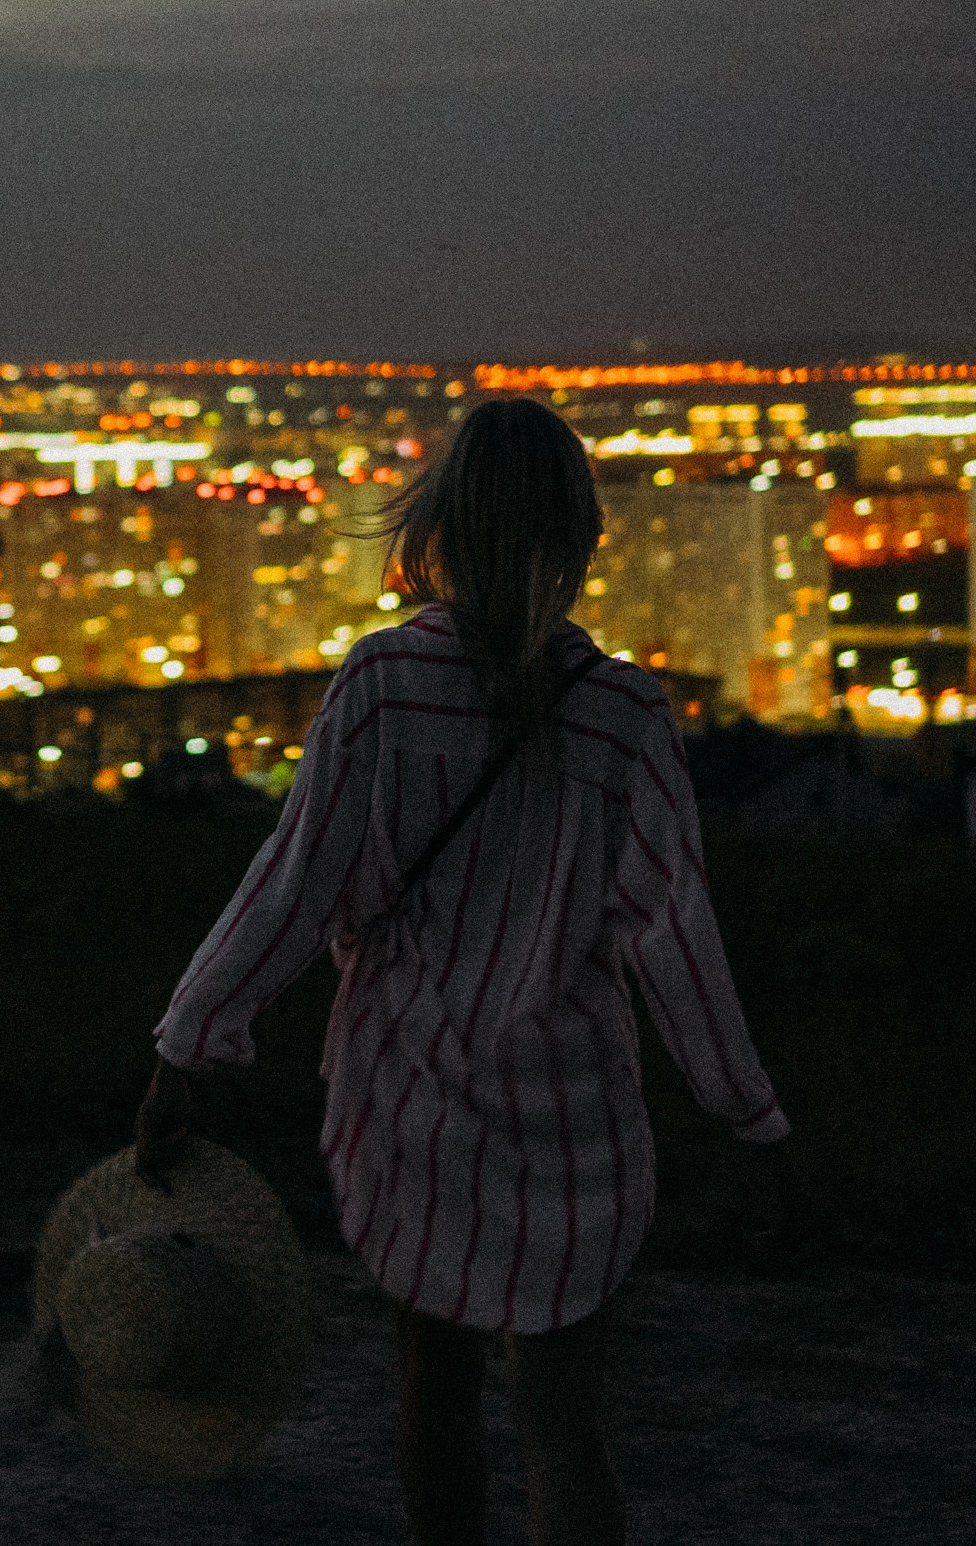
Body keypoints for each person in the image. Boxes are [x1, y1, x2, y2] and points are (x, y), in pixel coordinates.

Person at [133, 398, 809, 1545]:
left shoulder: (384, 687)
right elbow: (670, 929)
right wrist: (744, 1107)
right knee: (560, 1421)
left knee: (432, 1393)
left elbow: (294, 884)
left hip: (411, 1098)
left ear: (436, 525)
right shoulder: (625, 713)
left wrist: (187, 1048)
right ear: (581, 534)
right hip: (572, 1103)